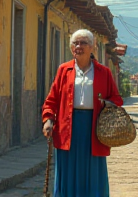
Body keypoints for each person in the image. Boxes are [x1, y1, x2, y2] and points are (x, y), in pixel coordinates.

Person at [42, 29, 123, 197]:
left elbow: (116, 99)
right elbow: (52, 99)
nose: (79, 46)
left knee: (93, 170)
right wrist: (48, 120)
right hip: (67, 128)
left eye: (84, 43)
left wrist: (106, 104)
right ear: (71, 47)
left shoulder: (104, 72)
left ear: (93, 46)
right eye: (75, 43)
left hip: (94, 128)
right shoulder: (64, 70)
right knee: (68, 170)